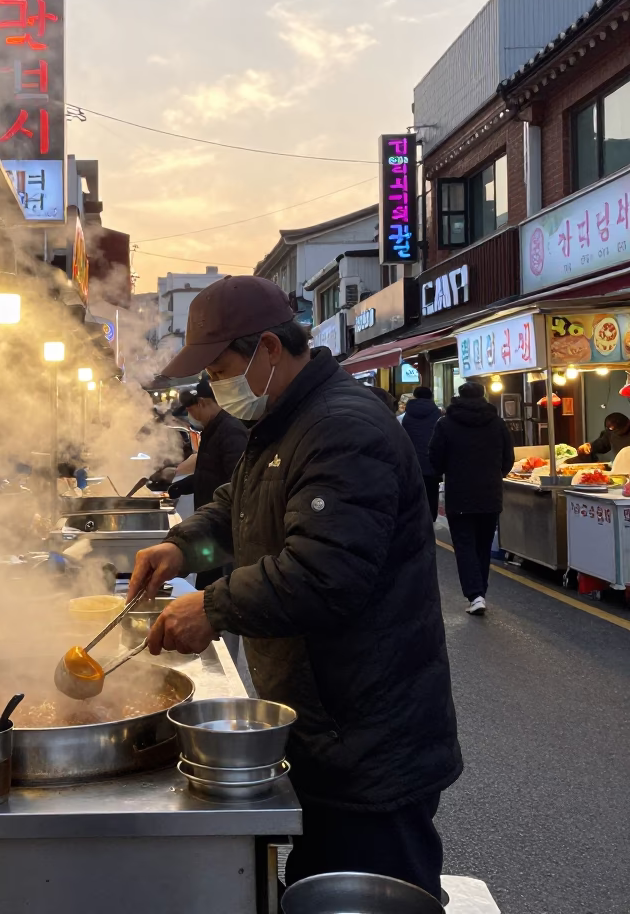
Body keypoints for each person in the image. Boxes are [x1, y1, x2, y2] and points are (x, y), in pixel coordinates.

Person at [128, 275, 461, 902]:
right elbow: (239, 509)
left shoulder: (341, 426)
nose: (218, 386)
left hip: (367, 736)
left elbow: (325, 574)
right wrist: (182, 546)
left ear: (269, 350)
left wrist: (215, 605)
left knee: (371, 893)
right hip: (322, 724)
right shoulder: (284, 420)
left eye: (222, 366)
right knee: (315, 888)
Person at [428, 381, 514, 616]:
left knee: (464, 545)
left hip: (460, 492)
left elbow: (434, 457)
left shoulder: (445, 423)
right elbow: (508, 459)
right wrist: (497, 474)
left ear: (459, 396)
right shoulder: (497, 423)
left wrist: (447, 472)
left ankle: (475, 595)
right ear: (483, 396)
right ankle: (479, 593)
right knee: (483, 546)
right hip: (490, 492)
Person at [167, 380, 248, 589]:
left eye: (191, 409)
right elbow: (208, 473)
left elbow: (236, 483)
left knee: (214, 587)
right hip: (210, 528)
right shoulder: (212, 429)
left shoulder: (230, 431)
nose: (190, 416)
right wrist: (178, 487)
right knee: (204, 583)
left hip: (223, 531)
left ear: (202, 403)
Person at [401, 386, 444, 521]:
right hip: (431, 463)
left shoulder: (405, 416)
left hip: (412, 463)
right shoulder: (438, 414)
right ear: (431, 397)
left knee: (414, 495)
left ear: (414, 396)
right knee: (431, 494)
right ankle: (430, 521)